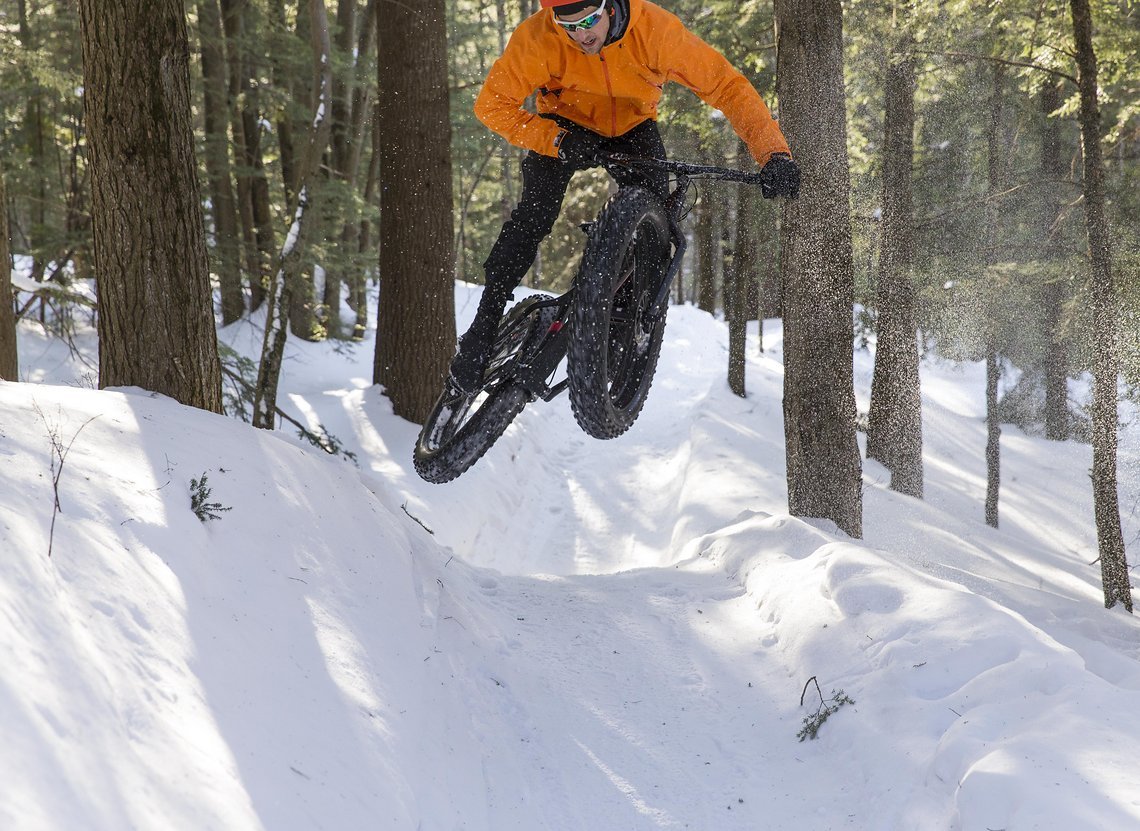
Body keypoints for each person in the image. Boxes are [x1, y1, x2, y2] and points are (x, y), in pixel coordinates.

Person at [448, 0, 800, 393]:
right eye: (568, 26)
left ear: (610, 7)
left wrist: (775, 153)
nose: (581, 35)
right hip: (565, 123)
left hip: (633, 124)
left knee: (655, 234)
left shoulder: (655, 30)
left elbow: (725, 86)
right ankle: (483, 325)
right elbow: (491, 105)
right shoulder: (538, 37)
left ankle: (619, 334)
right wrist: (557, 140)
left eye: (588, 21)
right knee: (534, 215)